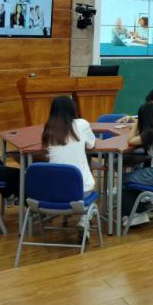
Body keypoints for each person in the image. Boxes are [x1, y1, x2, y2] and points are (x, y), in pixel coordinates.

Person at [42, 96, 97, 229]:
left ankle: (83, 217)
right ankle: (84, 220)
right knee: (91, 195)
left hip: (54, 192)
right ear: (73, 109)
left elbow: (46, 153)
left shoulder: (47, 129)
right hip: (80, 191)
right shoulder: (82, 124)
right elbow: (91, 144)